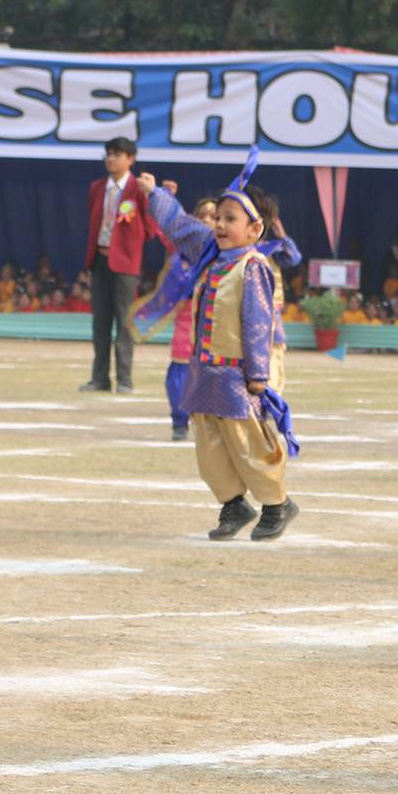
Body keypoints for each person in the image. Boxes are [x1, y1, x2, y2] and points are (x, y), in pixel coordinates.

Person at [135, 155, 303, 542]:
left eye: (231, 219)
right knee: (209, 442)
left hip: (239, 373)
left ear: (255, 229)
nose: (221, 225)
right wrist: (156, 194)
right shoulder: (211, 255)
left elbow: (258, 323)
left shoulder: (253, 266)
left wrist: (258, 375)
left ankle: (276, 504)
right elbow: (181, 226)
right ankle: (233, 504)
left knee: (247, 440)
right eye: (218, 218)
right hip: (206, 369)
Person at [80, 136, 158, 395]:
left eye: (117, 154)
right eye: (109, 154)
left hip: (125, 262)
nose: (111, 159)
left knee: (124, 321)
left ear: (130, 159)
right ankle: (99, 378)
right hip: (99, 259)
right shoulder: (96, 187)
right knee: (100, 322)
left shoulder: (138, 189)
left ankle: (125, 379)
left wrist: (130, 243)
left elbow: (151, 227)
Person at [152, 193, 220, 442]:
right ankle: (179, 421)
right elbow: (167, 229)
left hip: (218, 313)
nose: (208, 220)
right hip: (188, 312)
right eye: (202, 216)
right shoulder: (184, 250)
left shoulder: (229, 248)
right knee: (180, 366)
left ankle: (214, 421)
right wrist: (165, 196)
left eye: (214, 216)